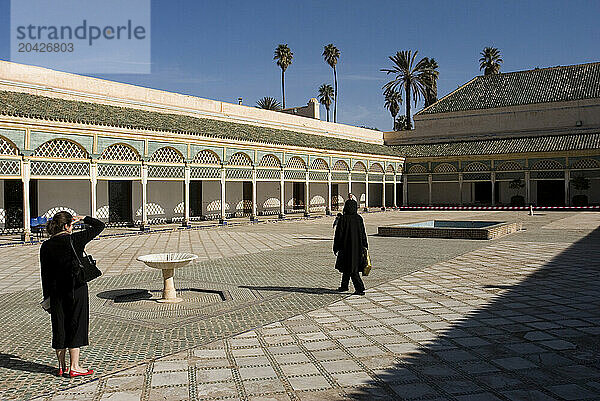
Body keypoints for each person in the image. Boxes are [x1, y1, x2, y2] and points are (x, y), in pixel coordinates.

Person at [40, 211, 105, 378]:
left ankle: (61, 366)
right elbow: (100, 226)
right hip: (76, 288)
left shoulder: (45, 246)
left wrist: (46, 297)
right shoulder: (74, 239)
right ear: (67, 226)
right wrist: (83, 218)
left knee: (59, 325)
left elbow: (45, 275)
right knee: (75, 324)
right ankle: (74, 366)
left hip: (55, 292)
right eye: (70, 225)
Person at [333, 198, 368, 295]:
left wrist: (336, 247)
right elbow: (363, 233)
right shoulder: (359, 218)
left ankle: (360, 288)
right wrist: (365, 245)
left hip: (345, 248)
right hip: (357, 248)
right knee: (347, 268)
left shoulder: (343, 219)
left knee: (352, 269)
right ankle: (344, 286)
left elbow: (338, 234)